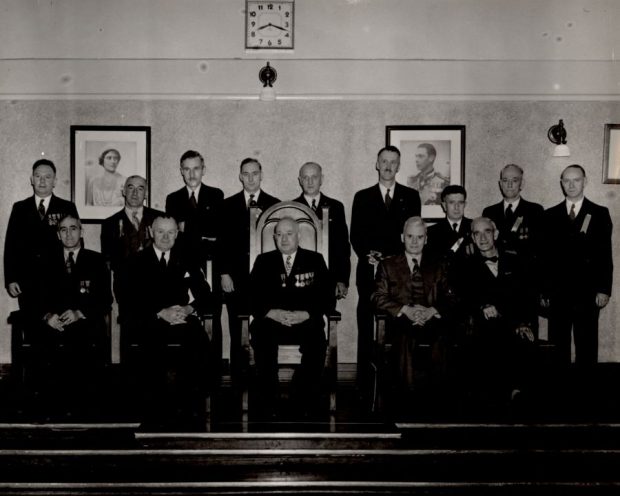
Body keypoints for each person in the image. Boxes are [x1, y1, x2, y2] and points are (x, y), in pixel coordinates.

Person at [125, 215, 212, 427]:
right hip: (151, 319)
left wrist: (189, 308)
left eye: (171, 232)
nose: (165, 236)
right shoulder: (136, 260)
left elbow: (207, 294)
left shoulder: (187, 258)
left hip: (182, 317)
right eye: (160, 231)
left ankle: (192, 405)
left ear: (176, 234)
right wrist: (159, 312)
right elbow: (129, 299)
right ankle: (156, 408)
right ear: (150, 233)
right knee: (151, 345)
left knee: (200, 341)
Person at [350, 146, 421, 387]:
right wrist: (368, 254)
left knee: (396, 322)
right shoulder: (362, 196)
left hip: (399, 273)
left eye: (393, 162)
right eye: (384, 161)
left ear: (399, 166)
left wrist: (390, 260)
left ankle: (394, 379)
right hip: (369, 269)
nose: (388, 166)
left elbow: (411, 235)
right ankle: (365, 381)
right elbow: (356, 235)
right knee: (366, 322)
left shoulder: (411, 196)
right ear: (377, 164)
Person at [372, 217, 457, 414]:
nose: (414, 241)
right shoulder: (388, 265)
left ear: (426, 239)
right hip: (400, 321)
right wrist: (406, 310)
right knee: (406, 338)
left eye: (420, 237)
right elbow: (377, 296)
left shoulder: (438, 264)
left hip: (431, 320)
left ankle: (437, 403)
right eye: (410, 236)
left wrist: (432, 311)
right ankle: (407, 403)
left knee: (441, 339)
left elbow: (451, 297)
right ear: (402, 237)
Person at [249, 217, 333, 416]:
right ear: (274, 237)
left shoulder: (315, 259)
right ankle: (270, 399)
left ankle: (300, 395)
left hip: (305, 322)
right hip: (271, 322)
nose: (284, 239)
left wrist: (306, 313)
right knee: (262, 341)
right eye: (279, 234)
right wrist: (271, 312)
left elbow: (327, 297)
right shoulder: (263, 261)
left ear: (299, 235)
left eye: (289, 234)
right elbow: (251, 295)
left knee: (317, 345)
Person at [29, 214, 112, 415]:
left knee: (85, 351)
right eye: (63, 230)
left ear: (81, 232)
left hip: (85, 324)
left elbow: (105, 300)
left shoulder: (97, 260)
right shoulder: (44, 261)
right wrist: (47, 316)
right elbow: (34, 298)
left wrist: (80, 313)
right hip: (53, 325)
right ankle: (51, 409)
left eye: (73, 228)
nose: (68, 234)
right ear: (58, 235)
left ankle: (84, 409)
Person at [541, 165, 613, 367]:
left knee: (587, 344)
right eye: (567, 180)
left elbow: (604, 255)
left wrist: (604, 289)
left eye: (576, 180)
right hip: (558, 293)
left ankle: (587, 393)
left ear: (585, 181)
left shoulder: (599, 213)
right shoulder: (549, 215)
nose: (571, 185)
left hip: (588, 292)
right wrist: (545, 291)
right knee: (558, 344)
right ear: (561, 183)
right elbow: (545, 258)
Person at [459, 217, 536, 405]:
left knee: (525, 339)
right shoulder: (464, 265)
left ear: (496, 234)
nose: (482, 238)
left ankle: (518, 394)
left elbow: (525, 297)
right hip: (481, 326)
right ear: (472, 237)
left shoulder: (515, 261)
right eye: (477, 233)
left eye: (487, 232)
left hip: (513, 323)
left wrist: (523, 323)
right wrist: (482, 305)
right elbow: (463, 297)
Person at [217, 158, 280, 379]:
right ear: (240, 176)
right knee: (237, 330)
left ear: (261, 175)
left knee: (265, 329)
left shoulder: (275, 204)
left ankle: (264, 380)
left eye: (255, 173)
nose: (251, 178)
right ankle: (238, 380)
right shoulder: (226, 205)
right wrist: (224, 273)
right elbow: (221, 243)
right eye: (246, 174)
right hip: (235, 279)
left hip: (266, 281)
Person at [165, 150, 224, 373]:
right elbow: (174, 236)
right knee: (183, 316)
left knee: (212, 315)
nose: (192, 174)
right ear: (181, 171)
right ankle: (189, 373)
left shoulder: (216, 195)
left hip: (212, 264)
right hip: (183, 265)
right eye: (187, 169)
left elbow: (218, 234)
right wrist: (201, 233)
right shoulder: (173, 199)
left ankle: (214, 372)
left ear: (203, 170)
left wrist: (189, 230)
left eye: (196, 168)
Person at [4, 159, 79, 313]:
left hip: (59, 278)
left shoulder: (67, 207)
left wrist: (75, 275)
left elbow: (77, 243)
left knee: (58, 328)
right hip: (28, 280)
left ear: (55, 181)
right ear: (32, 180)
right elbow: (10, 245)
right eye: (38, 176)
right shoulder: (20, 208)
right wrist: (11, 279)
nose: (42, 181)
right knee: (33, 329)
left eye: (48, 177)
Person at [101, 175, 164, 314]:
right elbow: (108, 261)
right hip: (126, 289)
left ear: (146, 193)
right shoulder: (109, 224)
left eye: (140, 189)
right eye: (131, 188)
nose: (135, 193)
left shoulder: (159, 219)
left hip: (159, 286)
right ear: (123, 191)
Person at [293, 161, 351, 302]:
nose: (310, 181)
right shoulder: (292, 207)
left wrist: (342, 279)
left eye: (314, 177)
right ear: (300, 181)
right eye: (305, 177)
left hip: (328, 279)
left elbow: (343, 247)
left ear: (322, 179)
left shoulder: (336, 207)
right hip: (298, 280)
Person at [482, 164, 544, 265]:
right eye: (505, 180)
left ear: (522, 184)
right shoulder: (489, 212)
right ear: (500, 184)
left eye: (514, 180)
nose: (509, 185)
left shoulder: (535, 210)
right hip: (497, 271)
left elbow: (539, 247)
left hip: (525, 270)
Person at [426, 185, 472, 261]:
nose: (456, 207)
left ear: (465, 204)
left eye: (460, 202)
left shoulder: (474, 227)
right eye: (451, 202)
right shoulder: (432, 232)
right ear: (444, 205)